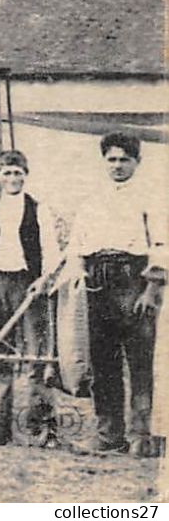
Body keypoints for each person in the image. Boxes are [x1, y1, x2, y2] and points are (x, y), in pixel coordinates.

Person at [46, 132, 165, 456]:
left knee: (140, 361)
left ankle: (141, 435)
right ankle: (109, 434)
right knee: (103, 362)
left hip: (133, 279)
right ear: (104, 162)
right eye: (111, 159)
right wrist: (79, 272)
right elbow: (76, 243)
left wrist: (152, 289)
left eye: (124, 159)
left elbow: (161, 244)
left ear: (137, 162)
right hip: (96, 281)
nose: (117, 165)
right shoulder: (92, 199)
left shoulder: (151, 197)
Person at [0, 149, 59, 446]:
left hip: (28, 284)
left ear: (25, 175)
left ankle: (36, 427)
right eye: (7, 172)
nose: (13, 178)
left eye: (18, 172)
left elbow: (50, 249)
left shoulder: (39, 209)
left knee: (35, 354)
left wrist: (44, 280)